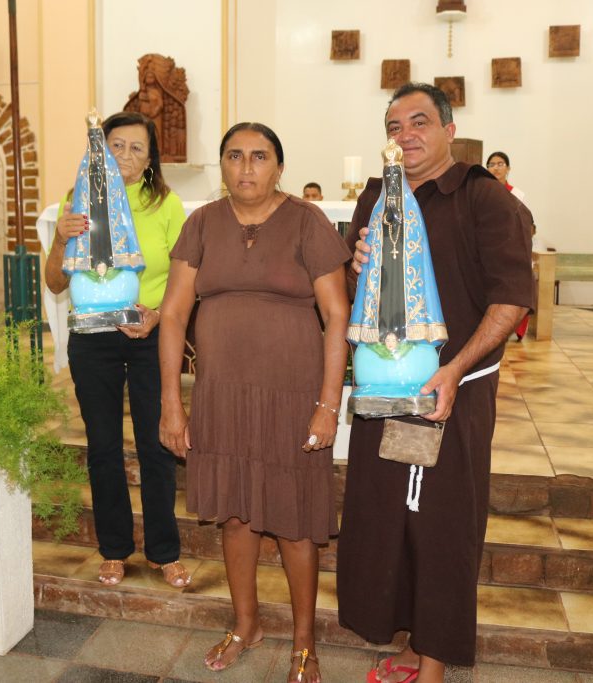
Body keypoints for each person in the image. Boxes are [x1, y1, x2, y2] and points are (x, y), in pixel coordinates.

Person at [337, 83, 533, 683]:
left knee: (441, 523)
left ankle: (434, 662)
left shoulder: (482, 197)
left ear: (450, 130)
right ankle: (407, 638)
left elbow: (511, 300)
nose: (406, 135)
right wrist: (356, 268)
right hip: (385, 388)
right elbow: (354, 296)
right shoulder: (377, 196)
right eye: (394, 126)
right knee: (387, 518)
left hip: (456, 391)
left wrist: (454, 369)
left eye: (419, 122)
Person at [159, 122, 351, 683]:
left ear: (279, 167)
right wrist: (172, 402)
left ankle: (304, 643)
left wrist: (329, 404)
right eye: (235, 156)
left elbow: (337, 313)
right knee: (236, 512)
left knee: (295, 522)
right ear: (222, 164)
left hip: (292, 395)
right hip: (221, 394)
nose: (246, 167)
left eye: (259, 156)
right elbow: (173, 314)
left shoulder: (307, 222)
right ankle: (246, 624)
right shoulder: (202, 223)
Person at [43, 111, 190, 588]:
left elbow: (187, 277)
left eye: (136, 148)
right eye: (116, 145)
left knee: (156, 445)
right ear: (99, 150)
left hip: (150, 334)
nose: (125, 155)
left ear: (150, 160)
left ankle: (164, 551)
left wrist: (158, 316)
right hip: (92, 339)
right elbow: (54, 282)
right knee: (103, 446)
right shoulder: (77, 200)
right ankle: (114, 548)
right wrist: (60, 239)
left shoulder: (166, 205)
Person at [487, 151, 534, 340]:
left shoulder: (517, 194)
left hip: (510, 246)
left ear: (508, 168)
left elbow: (522, 222)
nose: (496, 168)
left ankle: (514, 328)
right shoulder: (484, 192)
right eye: (491, 164)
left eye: (500, 164)